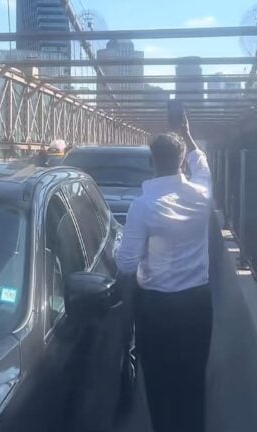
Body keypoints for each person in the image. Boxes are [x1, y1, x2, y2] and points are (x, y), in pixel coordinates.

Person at [115, 111, 212, 432]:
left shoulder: (144, 205)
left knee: (159, 383)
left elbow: (126, 264)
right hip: (198, 304)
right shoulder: (202, 194)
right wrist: (188, 133)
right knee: (193, 381)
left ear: (152, 163)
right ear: (181, 162)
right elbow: (203, 164)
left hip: (156, 307)